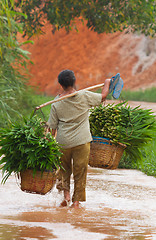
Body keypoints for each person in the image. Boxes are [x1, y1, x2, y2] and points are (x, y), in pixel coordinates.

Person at [47, 69, 111, 208]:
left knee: (63, 170)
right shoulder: (84, 96)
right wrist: (107, 82)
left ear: (60, 84)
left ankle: (66, 196)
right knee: (80, 171)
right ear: (74, 81)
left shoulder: (56, 102)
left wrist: (49, 144)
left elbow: (52, 127)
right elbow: (103, 96)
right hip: (81, 141)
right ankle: (76, 202)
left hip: (63, 142)